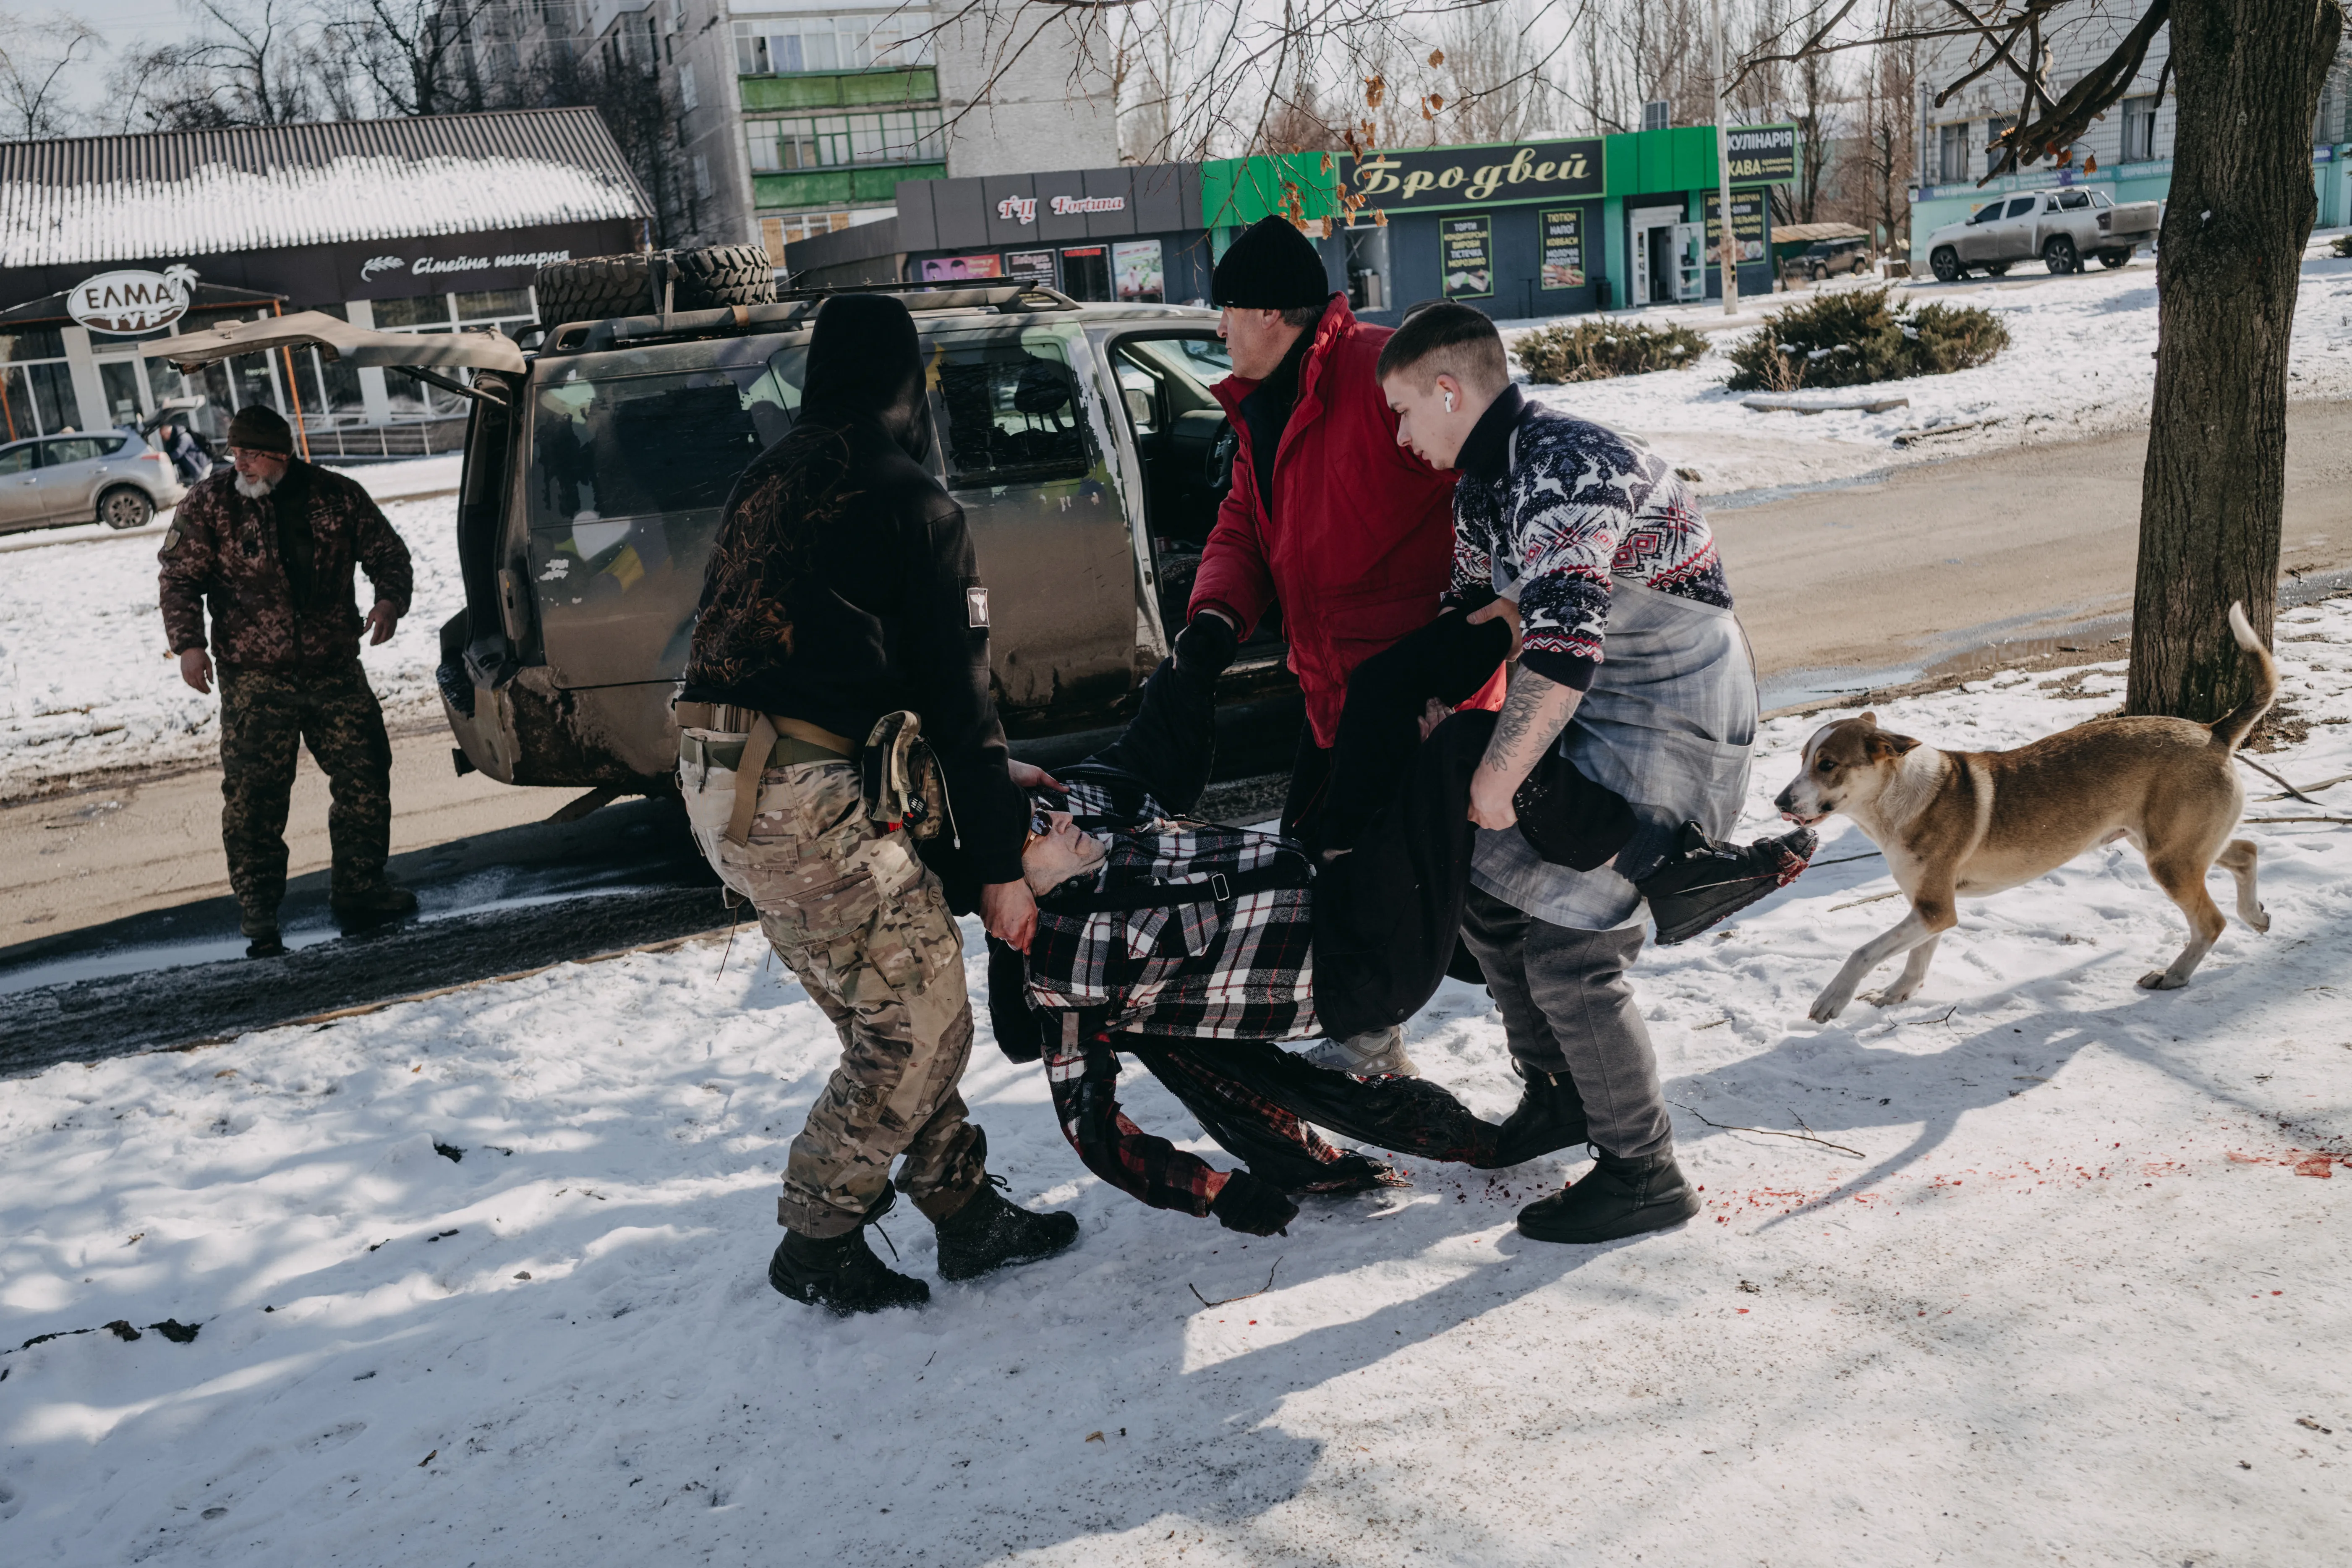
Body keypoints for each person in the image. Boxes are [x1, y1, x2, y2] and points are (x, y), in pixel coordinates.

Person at [991, 615, 1803, 1236]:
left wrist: (1196, 648)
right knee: (1463, 751)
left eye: (1046, 807)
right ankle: (1668, 868)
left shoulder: (1088, 809)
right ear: (1005, 888)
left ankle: (1518, 608)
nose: (1058, 817)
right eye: (1036, 833)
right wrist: (1214, 1193)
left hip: (1329, 875)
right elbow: (1093, 1127)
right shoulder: (1064, 971)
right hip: (1355, 963)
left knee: (1381, 687)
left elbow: (1156, 736)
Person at [675, 294, 1079, 1317]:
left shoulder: (771, 475)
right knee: (919, 1015)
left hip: (726, 783)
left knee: (887, 996)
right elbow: (958, 697)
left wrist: (983, 788)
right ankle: (817, 1236)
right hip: (804, 796)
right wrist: (998, 868)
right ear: (911, 382)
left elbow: (843, 671)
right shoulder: (914, 502)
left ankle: (965, 1208)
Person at [1376, 302, 1801, 1247]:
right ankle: (1564, 1093)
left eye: (1404, 411)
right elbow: (1477, 616)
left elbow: (1562, 648)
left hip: (1673, 710)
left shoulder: (1561, 465)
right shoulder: (1488, 483)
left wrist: (1494, 777)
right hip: (1604, 702)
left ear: (1450, 390)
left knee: (1573, 946)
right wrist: (1437, 706)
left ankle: (1642, 1168)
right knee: (1488, 897)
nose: (1403, 437)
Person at [1180, 214, 1491, 1078]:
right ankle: (1373, 1037)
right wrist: (1212, 623)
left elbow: (1497, 471)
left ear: (1272, 316)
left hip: (1415, 691)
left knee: (1416, 880)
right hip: (1330, 689)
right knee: (1342, 868)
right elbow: (1244, 522)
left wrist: (1481, 628)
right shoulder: (1258, 407)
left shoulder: (1382, 373)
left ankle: (1387, 1042)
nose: (1218, 329)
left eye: (1226, 312)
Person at [159, 405, 418, 959]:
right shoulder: (211, 503)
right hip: (255, 679)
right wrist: (189, 645)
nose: (241, 464)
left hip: (333, 669)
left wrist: (390, 601)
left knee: (365, 775)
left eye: (251, 453)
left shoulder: (336, 496)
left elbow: (388, 554)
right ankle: (259, 912)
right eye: (235, 452)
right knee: (254, 799)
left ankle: (360, 888)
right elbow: (179, 580)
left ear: (281, 454)